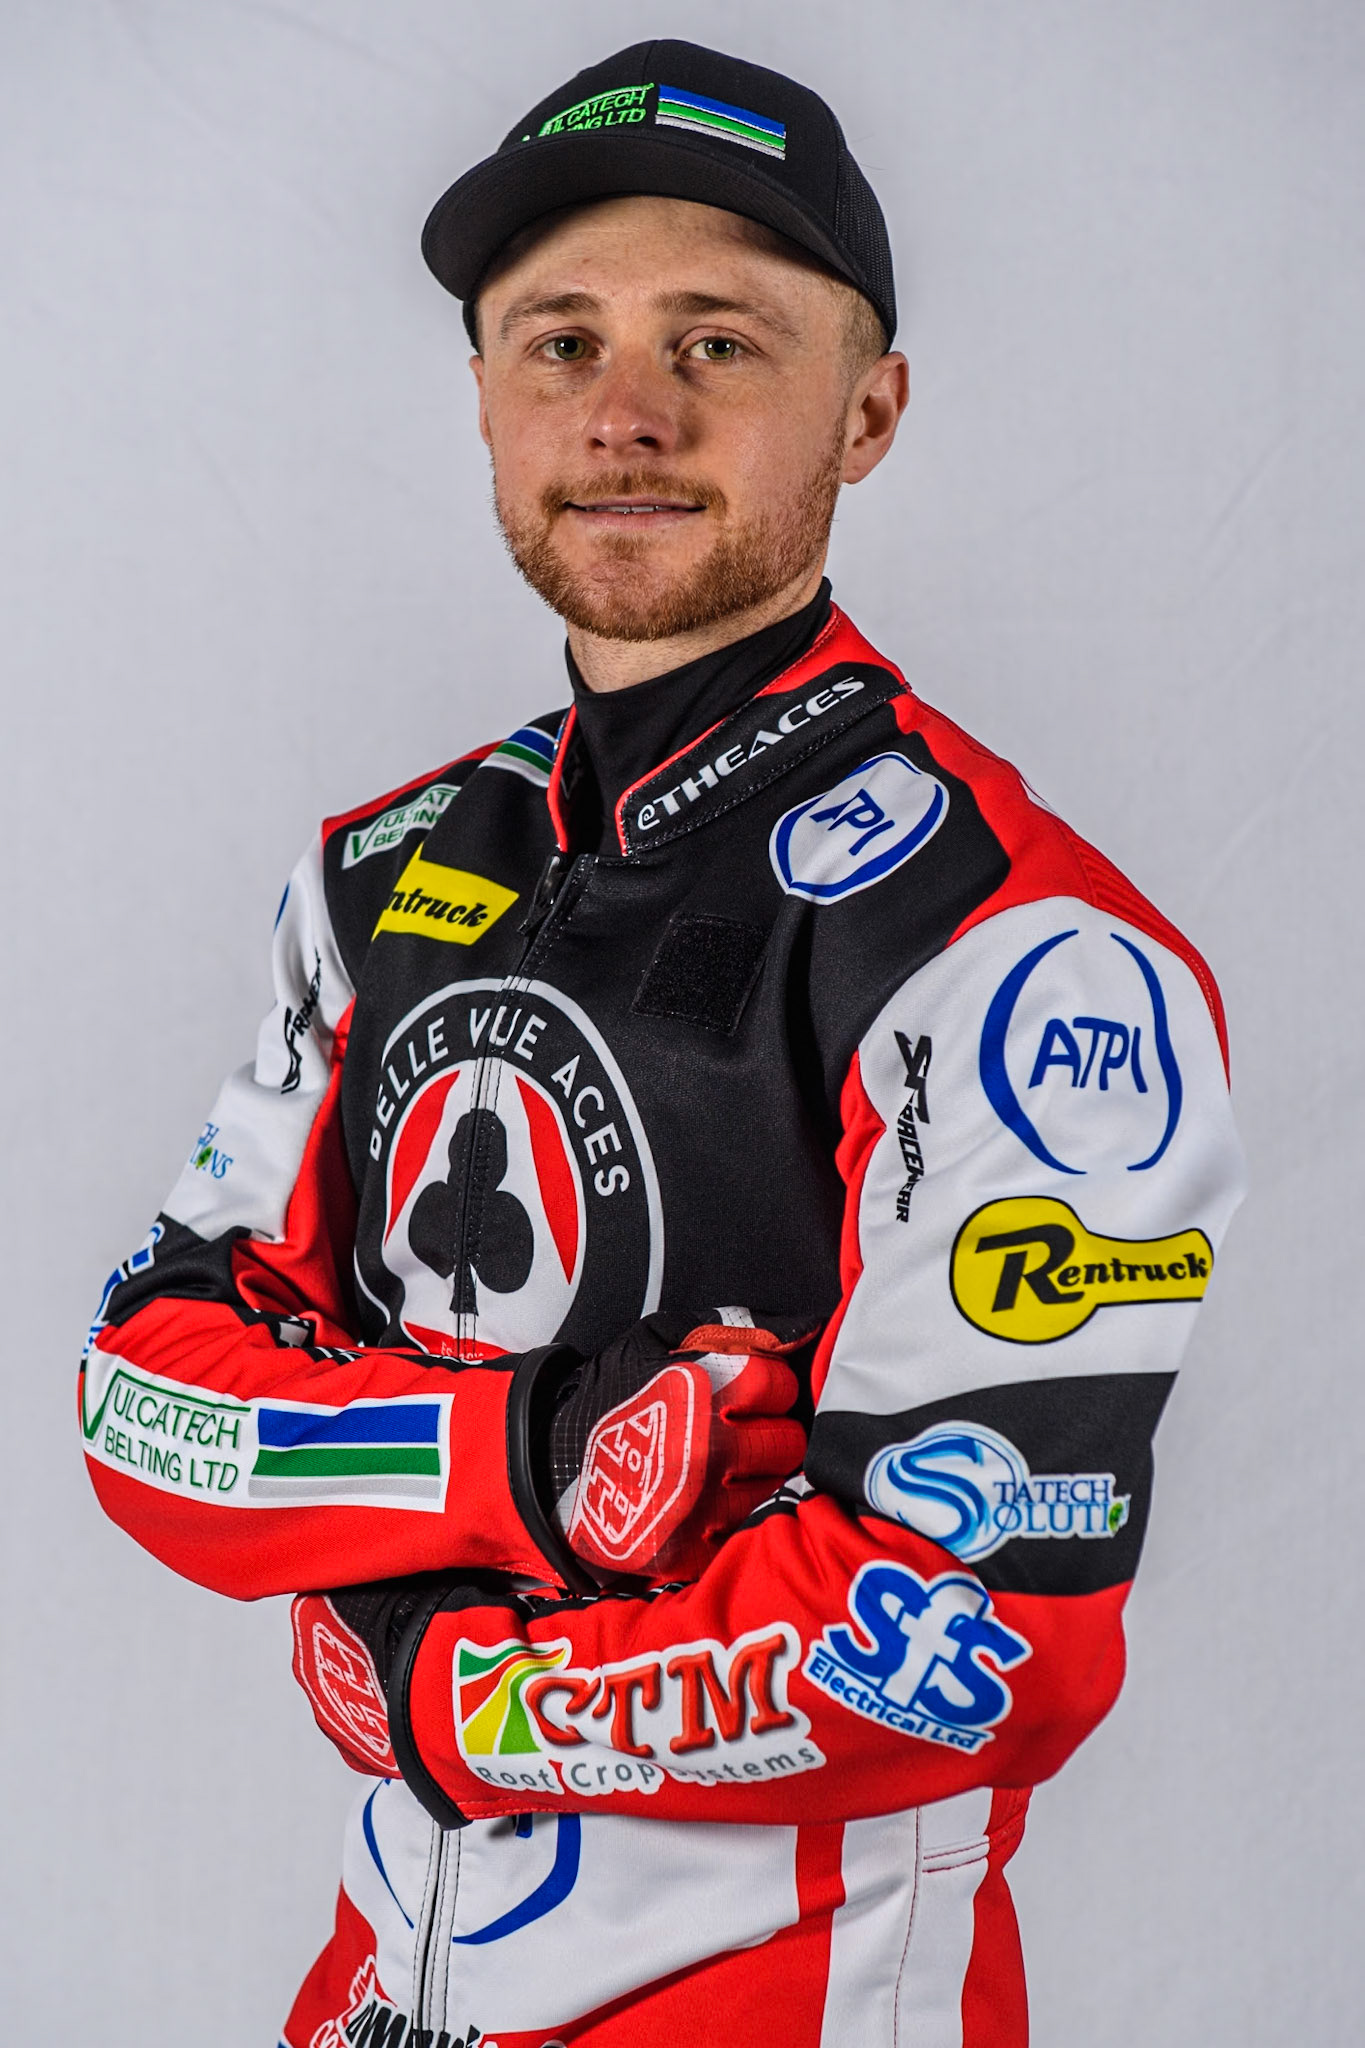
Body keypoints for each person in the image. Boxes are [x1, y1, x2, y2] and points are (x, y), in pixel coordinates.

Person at [81, 39, 1244, 2048]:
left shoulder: (1023, 949)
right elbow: (142, 1403)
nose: (623, 413)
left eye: (717, 341)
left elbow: (963, 1645)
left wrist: (451, 1686)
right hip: (375, 1995)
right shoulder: (372, 876)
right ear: (481, 398)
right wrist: (526, 1464)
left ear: (867, 411)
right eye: (557, 342)